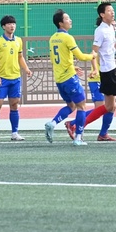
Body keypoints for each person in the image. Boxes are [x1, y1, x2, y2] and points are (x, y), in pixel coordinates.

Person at [43, 9, 95, 146]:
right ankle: (78, 138)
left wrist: (72, 67)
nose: (70, 20)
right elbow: (81, 56)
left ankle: (52, 123)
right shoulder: (67, 37)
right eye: (67, 19)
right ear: (61, 23)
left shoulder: (53, 38)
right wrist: (93, 55)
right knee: (82, 107)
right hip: (69, 79)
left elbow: (56, 59)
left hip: (60, 79)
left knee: (71, 105)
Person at [0, 15, 32, 141]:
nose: (12, 26)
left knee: (14, 105)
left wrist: (26, 68)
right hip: (3, 79)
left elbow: (20, 57)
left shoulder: (19, 40)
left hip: (15, 78)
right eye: (9, 24)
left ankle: (15, 133)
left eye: (14, 24)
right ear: (3, 26)